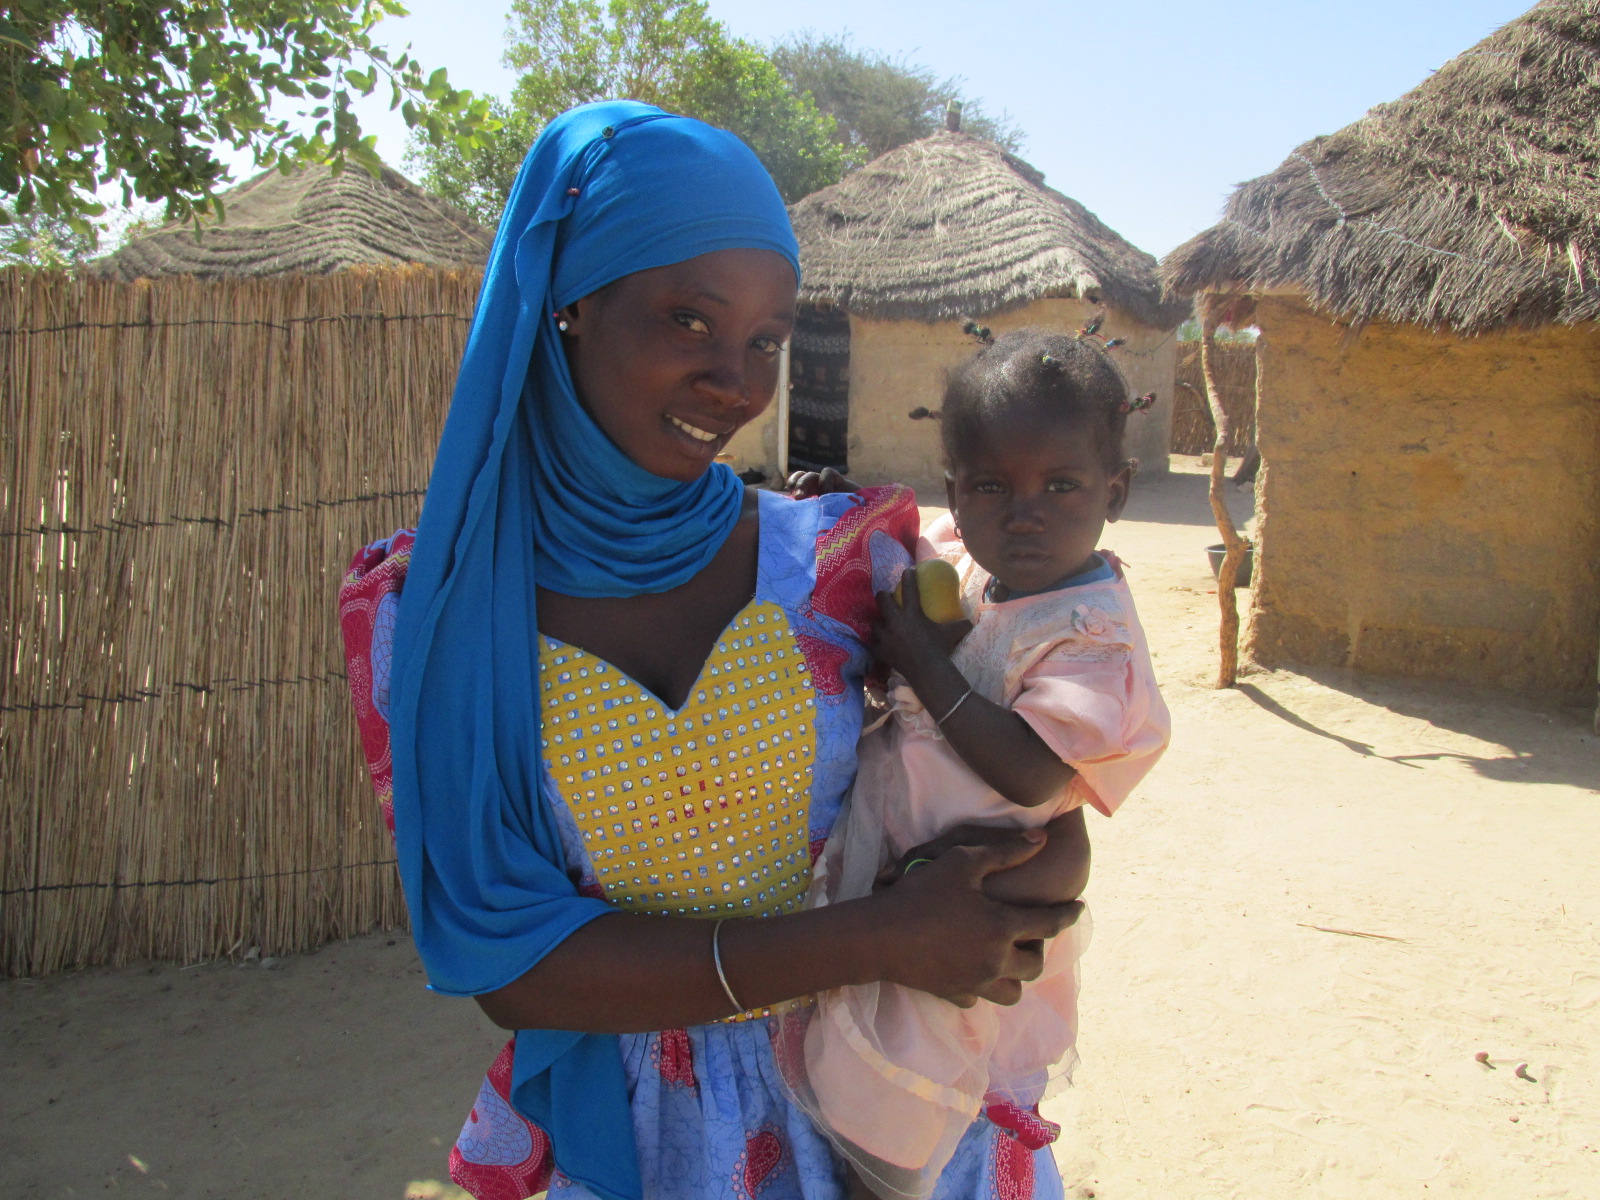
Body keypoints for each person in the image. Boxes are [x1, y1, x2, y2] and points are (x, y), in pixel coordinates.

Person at [337, 102, 1085, 1200]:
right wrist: (876, 938)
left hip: (885, 1110)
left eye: (767, 341)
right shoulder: (429, 615)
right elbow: (513, 967)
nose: (736, 382)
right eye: (690, 321)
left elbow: (1017, 770)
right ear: (572, 306)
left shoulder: (847, 558)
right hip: (646, 1144)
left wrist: (1020, 889)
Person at [780, 329, 1171, 1199]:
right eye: (993, 485)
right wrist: (847, 507)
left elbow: (1031, 772)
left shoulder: (1092, 632)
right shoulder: (972, 559)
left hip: (975, 906)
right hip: (905, 876)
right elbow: (914, 558)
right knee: (858, 1067)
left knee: (914, 1106)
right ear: (956, 486)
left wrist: (922, 662)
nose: (1024, 511)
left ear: (1116, 490)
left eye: (1061, 485)